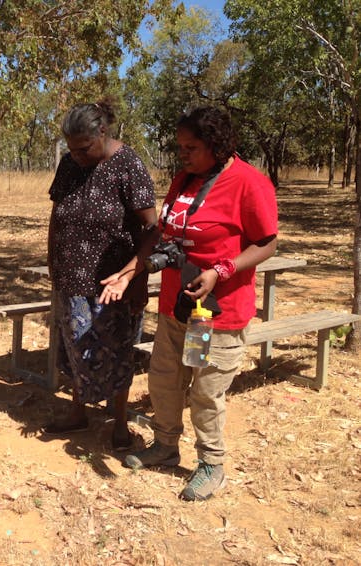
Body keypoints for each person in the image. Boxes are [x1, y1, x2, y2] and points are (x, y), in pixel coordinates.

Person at [123, 106, 278, 501]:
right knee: (164, 381)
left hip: (216, 315)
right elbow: (165, 227)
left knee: (206, 392)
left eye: (191, 147)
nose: (183, 154)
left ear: (217, 145)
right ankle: (165, 446)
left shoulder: (249, 183)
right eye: (180, 147)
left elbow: (267, 242)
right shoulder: (184, 180)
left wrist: (221, 271)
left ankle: (211, 465)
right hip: (178, 309)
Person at [45, 97, 158, 450]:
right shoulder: (68, 165)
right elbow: (57, 215)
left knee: (117, 352)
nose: (77, 155)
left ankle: (120, 422)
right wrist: (52, 261)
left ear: (103, 133)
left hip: (114, 283)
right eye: (72, 149)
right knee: (76, 349)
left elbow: (152, 229)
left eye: (83, 148)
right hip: (72, 278)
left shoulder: (128, 165)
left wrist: (137, 280)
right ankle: (78, 413)